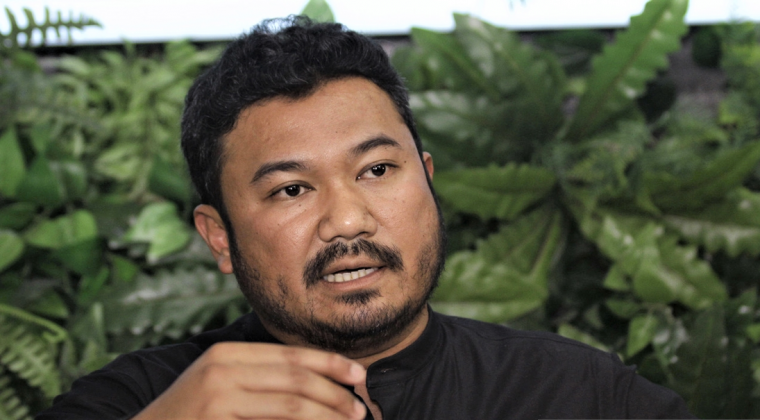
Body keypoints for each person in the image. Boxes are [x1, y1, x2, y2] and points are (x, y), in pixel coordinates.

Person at [37, 16, 696, 420]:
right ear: (220, 237)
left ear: (428, 181)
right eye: (292, 190)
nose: (348, 221)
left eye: (377, 170)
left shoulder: (579, 395)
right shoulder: (140, 400)